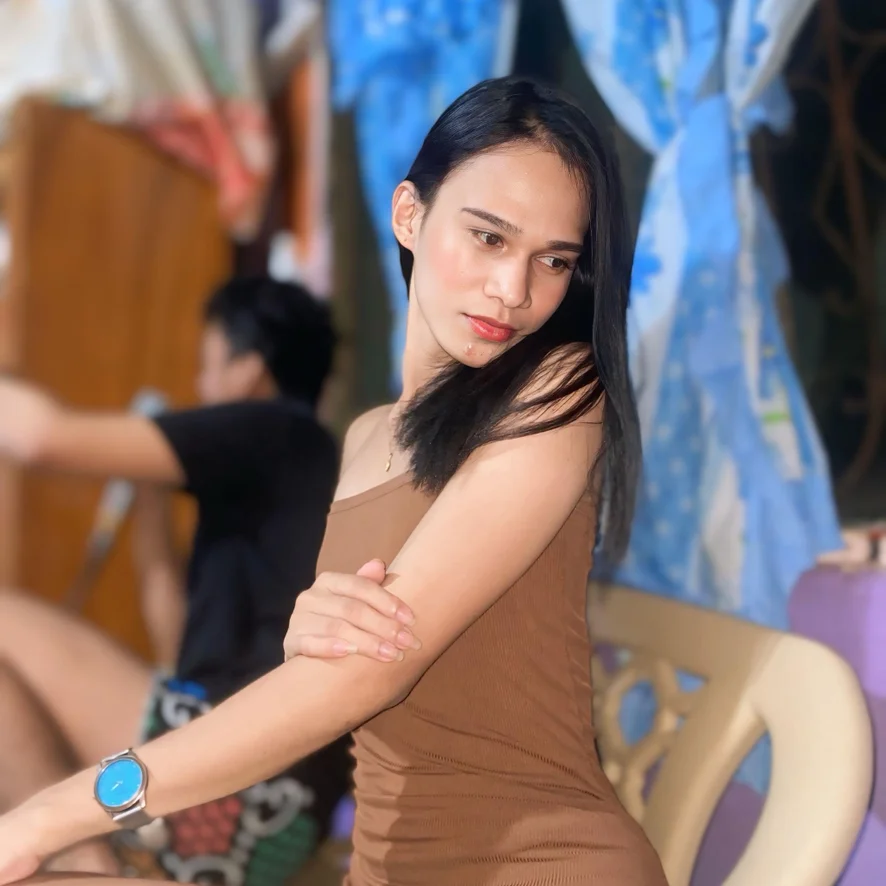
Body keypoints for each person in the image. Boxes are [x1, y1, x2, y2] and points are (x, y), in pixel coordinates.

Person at [0, 77, 667, 884]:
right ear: (409, 215)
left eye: (553, 260)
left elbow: (367, 670)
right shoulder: (363, 440)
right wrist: (306, 638)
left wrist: (52, 813)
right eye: (489, 237)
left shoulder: (560, 393)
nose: (514, 290)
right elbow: (348, 670)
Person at [0, 277, 351, 882]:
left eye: (207, 367)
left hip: (241, 784)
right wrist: (150, 488)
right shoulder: (295, 468)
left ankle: (77, 856)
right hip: (261, 820)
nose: (199, 389)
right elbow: (177, 648)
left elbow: (39, 437)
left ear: (248, 370)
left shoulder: (277, 430)